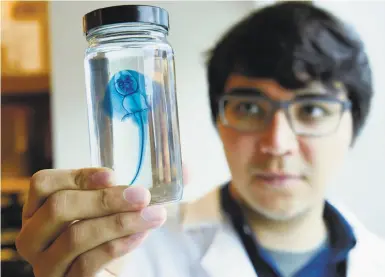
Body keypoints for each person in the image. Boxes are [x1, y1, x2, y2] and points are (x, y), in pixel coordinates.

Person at [16, 2, 385, 277]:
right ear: (218, 120)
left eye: (313, 110)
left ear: (354, 123)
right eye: (250, 108)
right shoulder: (123, 256)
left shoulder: (376, 261)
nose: (278, 143)